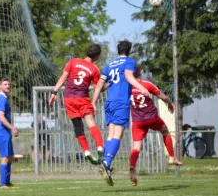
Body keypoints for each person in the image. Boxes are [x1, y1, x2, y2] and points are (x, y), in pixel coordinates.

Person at [92, 40, 151, 186]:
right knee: (118, 134)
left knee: (111, 135)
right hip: (121, 102)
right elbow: (129, 76)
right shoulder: (129, 62)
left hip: (109, 102)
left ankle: (106, 164)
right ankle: (106, 163)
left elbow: (99, 84)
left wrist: (93, 102)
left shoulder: (109, 65)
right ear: (129, 51)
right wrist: (141, 88)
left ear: (118, 50)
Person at [48, 43, 105, 164]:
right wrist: (109, 84)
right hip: (82, 99)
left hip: (68, 99)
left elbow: (63, 77)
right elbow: (98, 88)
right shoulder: (94, 69)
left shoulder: (73, 61)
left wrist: (54, 92)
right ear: (97, 56)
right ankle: (100, 147)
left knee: (78, 127)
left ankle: (86, 151)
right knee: (90, 123)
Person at [129, 66, 182, 186]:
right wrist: (170, 104)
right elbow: (163, 96)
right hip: (152, 118)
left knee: (136, 147)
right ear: (140, 73)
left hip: (137, 121)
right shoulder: (146, 84)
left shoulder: (127, 87)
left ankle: (132, 166)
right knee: (165, 131)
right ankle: (172, 157)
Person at [0, 76, 19, 188]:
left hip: (5, 132)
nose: (7, 86)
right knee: (5, 156)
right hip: (2, 131)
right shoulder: (1, 98)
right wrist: (12, 127)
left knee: (9, 156)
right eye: (5, 84)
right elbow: (1, 117)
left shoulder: (3, 98)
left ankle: (7, 182)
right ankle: (3, 183)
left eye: (8, 84)